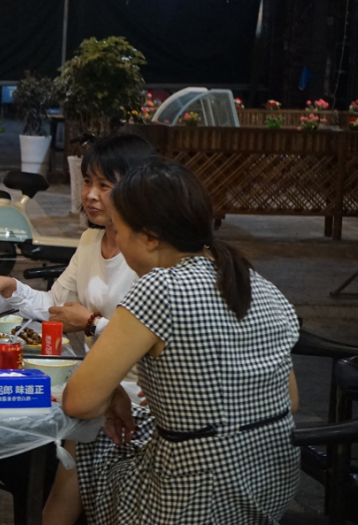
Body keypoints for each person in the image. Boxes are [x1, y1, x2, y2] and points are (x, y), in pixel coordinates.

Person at [63, 159, 299, 525]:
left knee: (89, 443)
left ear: (151, 238)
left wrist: (113, 398)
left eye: (119, 231)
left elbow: (78, 400)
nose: (118, 242)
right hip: (271, 485)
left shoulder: (161, 288)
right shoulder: (251, 281)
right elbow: (292, 400)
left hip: (193, 497)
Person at [0, 132, 157, 525]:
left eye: (105, 185)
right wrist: (11, 286)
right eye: (88, 181)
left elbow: (146, 338)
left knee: (33, 460)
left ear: (139, 187)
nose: (91, 195)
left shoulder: (152, 256)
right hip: (94, 385)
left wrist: (89, 323)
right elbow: (55, 305)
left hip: (135, 399)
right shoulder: (91, 241)